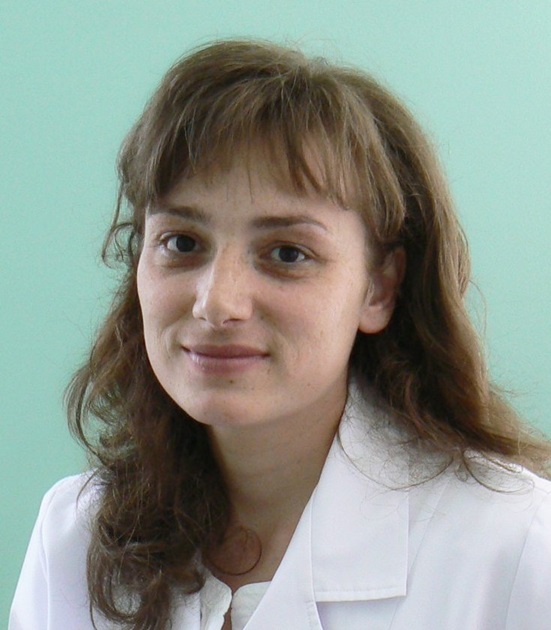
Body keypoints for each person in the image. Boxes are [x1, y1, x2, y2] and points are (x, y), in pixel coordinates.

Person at [10, 39, 551, 630]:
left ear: (379, 288)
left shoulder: (516, 547)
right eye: (182, 243)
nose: (217, 303)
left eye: (288, 253)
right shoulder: (74, 537)